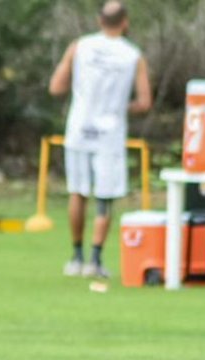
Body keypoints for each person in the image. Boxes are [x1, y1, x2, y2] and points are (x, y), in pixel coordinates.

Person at [50, 0, 151, 279]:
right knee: (105, 198)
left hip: (79, 128)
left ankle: (76, 256)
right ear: (125, 22)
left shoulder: (79, 46)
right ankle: (96, 259)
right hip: (110, 133)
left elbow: (56, 86)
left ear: (99, 21)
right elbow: (144, 102)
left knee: (77, 191)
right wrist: (120, 107)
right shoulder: (133, 55)